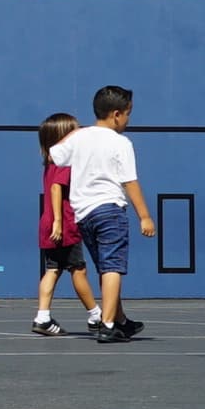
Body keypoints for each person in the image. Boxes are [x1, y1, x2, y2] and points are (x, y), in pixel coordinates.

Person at [50, 85, 155, 343]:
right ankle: (108, 325)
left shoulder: (80, 137)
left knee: (105, 267)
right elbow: (130, 181)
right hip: (109, 209)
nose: (128, 120)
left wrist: (75, 133)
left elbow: (54, 155)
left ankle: (120, 320)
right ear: (117, 114)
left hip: (83, 214)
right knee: (113, 268)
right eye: (128, 114)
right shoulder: (120, 142)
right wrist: (144, 215)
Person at [31, 112, 101, 336]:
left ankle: (42, 317)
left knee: (52, 270)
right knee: (79, 270)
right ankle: (96, 315)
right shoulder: (64, 161)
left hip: (48, 223)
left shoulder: (49, 163)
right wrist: (59, 223)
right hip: (65, 225)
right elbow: (55, 189)